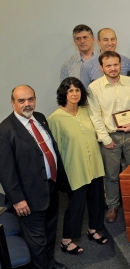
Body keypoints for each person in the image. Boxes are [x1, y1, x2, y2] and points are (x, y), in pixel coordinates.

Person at [0, 85, 69, 269]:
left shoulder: (39, 118)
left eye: (30, 99)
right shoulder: (5, 130)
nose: (27, 104)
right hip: (28, 197)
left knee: (50, 232)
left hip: (51, 188)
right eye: (21, 101)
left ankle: (50, 264)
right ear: (12, 103)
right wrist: (17, 199)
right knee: (36, 241)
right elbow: (5, 170)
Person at [48, 78, 107, 255]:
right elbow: (54, 149)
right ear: (63, 94)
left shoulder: (87, 111)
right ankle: (66, 240)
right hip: (74, 167)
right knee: (76, 204)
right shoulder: (55, 118)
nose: (74, 94)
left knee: (97, 199)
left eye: (77, 90)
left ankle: (94, 229)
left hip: (94, 164)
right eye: (70, 91)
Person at [88, 51, 130, 223]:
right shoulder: (94, 88)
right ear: (101, 67)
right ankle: (113, 205)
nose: (113, 68)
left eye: (115, 64)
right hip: (110, 136)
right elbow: (95, 116)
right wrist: (105, 139)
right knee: (111, 175)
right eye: (108, 65)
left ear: (120, 64)